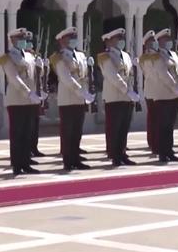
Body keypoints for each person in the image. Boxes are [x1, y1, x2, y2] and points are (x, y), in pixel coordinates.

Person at [0, 28, 43, 175]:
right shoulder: (8, 57)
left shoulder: (30, 56)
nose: (23, 41)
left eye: (24, 39)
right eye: (20, 39)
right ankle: (17, 165)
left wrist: (41, 67)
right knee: (17, 134)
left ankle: (26, 162)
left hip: (29, 101)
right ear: (12, 40)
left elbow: (34, 77)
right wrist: (28, 93)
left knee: (27, 133)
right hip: (17, 100)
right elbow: (14, 78)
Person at [50, 27, 93, 170]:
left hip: (80, 99)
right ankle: (68, 161)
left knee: (77, 131)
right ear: (62, 41)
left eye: (75, 37)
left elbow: (84, 77)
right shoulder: (59, 57)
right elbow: (66, 78)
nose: (74, 40)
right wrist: (82, 92)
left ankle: (76, 159)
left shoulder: (80, 56)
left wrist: (88, 91)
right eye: (70, 38)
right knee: (68, 132)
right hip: (68, 99)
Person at [98, 28, 139, 166]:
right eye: (117, 38)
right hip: (114, 97)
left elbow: (130, 76)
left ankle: (122, 153)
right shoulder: (105, 56)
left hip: (127, 97)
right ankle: (115, 155)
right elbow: (113, 76)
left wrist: (132, 91)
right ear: (109, 41)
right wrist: (127, 91)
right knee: (114, 128)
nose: (121, 41)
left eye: (121, 38)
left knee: (124, 128)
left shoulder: (126, 55)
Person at [153, 28, 178, 163]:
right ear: (160, 41)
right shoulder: (157, 56)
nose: (168, 42)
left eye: (169, 39)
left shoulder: (173, 54)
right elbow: (164, 74)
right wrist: (176, 89)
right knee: (163, 126)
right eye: (165, 39)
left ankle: (169, 150)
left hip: (174, 95)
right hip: (163, 95)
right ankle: (163, 152)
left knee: (170, 126)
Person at [25, 30, 45, 159]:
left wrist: (42, 65)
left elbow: (40, 75)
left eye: (29, 42)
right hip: (26, 96)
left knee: (35, 124)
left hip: (36, 94)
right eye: (27, 42)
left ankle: (34, 147)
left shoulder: (34, 57)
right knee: (26, 126)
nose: (29, 44)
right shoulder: (18, 57)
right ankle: (27, 151)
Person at [139, 30, 158, 155]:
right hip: (152, 91)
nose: (154, 43)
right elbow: (151, 74)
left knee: (158, 120)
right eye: (151, 41)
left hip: (159, 91)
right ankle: (152, 142)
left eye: (154, 41)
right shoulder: (145, 57)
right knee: (153, 119)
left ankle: (157, 142)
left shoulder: (157, 55)